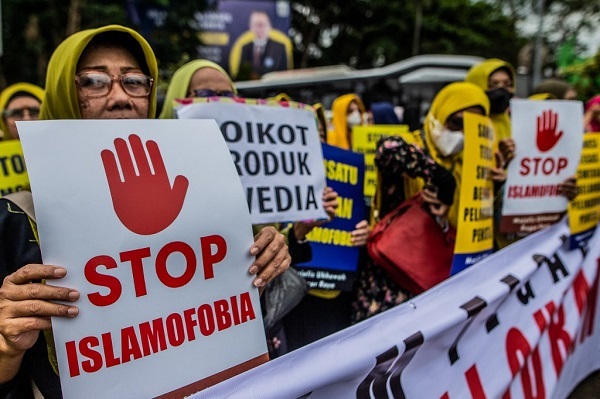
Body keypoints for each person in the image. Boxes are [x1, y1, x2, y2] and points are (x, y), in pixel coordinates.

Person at [0, 25, 291, 398]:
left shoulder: (204, 195)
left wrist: (264, 261)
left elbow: (227, 319)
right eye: (93, 80)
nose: (121, 97)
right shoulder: (15, 219)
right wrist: (7, 349)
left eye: (135, 81)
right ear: (61, 91)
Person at [352, 82, 504, 323]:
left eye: (472, 127)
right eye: (456, 122)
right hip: (392, 285)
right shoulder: (415, 146)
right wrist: (440, 177)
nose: (462, 133)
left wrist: (498, 186)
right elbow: (387, 150)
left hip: (441, 287)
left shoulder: (478, 165)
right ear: (438, 115)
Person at [465, 58, 515, 144]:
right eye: (493, 85)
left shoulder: (514, 124)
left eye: (507, 84)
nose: (501, 90)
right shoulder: (460, 125)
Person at [230, 10, 290, 80]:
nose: (260, 29)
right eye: (257, 25)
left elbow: (284, 75)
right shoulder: (245, 48)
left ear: (270, 26)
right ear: (251, 27)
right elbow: (241, 76)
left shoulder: (279, 48)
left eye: (263, 25)